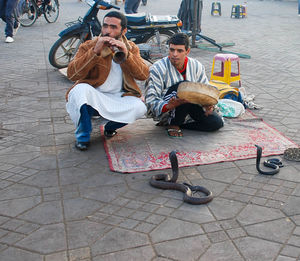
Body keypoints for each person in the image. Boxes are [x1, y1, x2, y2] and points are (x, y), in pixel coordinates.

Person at [66, 11, 149, 151]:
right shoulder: (88, 45)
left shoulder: (131, 47)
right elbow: (72, 74)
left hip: (118, 96)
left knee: (140, 107)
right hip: (94, 94)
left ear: (123, 31)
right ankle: (83, 136)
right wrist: (94, 51)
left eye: (113, 27)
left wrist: (127, 55)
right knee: (79, 91)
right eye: (105, 26)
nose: (107, 31)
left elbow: (143, 75)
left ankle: (110, 128)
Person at [145, 32, 223, 138]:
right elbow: (151, 100)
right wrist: (168, 106)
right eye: (172, 50)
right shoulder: (157, 68)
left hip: (191, 106)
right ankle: (173, 123)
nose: (175, 54)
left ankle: (182, 125)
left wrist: (208, 105)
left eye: (179, 51)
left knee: (216, 122)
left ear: (187, 51)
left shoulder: (197, 66)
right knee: (184, 87)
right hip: (168, 110)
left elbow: (206, 89)